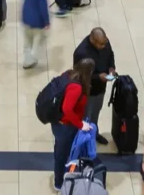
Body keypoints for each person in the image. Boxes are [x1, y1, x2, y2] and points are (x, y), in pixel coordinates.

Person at [52, 58, 96, 190]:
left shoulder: (68, 74)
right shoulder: (76, 87)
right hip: (65, 125)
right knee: (62, 154)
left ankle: (60, 174)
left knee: (60, 149)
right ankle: (59, 183)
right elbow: (67, 109)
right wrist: (80, 124)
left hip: (58, 122)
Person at [72, 28, 116, 144]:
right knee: (86, 116)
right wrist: (98, 77)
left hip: (101, 88)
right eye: (100, 44)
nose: (103, 46)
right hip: (88, 92)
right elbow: (78, 75)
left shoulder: (105, 42)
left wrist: (111, 68)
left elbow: (110, 55)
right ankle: (83, 140)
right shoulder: (81, 53)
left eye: (104, 43)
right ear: (92, 40)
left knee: (96, 112)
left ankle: (94, 133)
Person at [20, 0, 50, 68]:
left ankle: (27, 59)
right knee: (38, 40)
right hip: (37, 19)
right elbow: (43, 6)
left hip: (26, 14)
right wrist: (46, 21)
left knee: (27, 39)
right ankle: (33, 58)